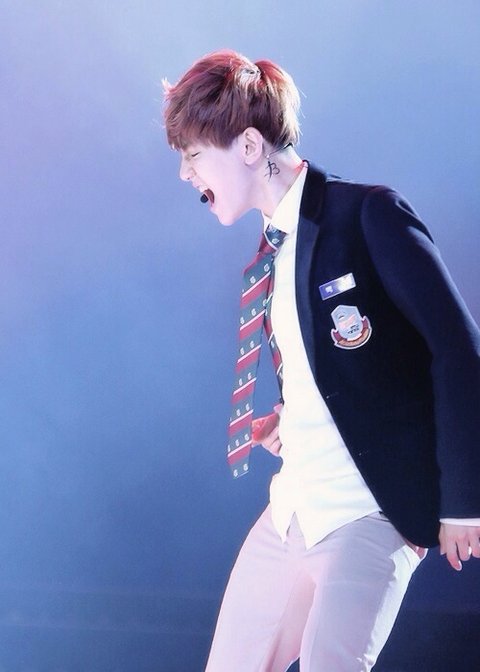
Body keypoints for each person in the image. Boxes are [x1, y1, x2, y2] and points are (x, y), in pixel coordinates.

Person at [163, 50, 480, 671]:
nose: (184, 174)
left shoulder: (367, 214)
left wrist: (465, 498)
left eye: (194, 155)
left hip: (370, 511)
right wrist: (293, 416)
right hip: (291, 509)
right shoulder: (270, 254)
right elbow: (343, 368)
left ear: (248, 145)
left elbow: (457, 349)